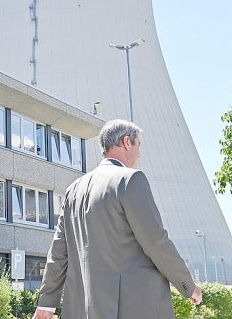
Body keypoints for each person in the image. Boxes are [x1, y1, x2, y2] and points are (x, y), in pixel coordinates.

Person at [33, 119, 202, 319]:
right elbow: (155, 241)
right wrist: (188, 285)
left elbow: (58, 254)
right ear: (126, 142)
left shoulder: (73, 190)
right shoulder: (130, 180)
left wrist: (46, 305)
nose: (140, 153)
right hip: (134, 307)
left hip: (83, 309)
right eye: (138, 144)